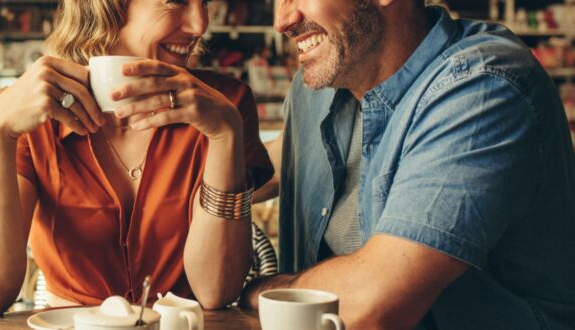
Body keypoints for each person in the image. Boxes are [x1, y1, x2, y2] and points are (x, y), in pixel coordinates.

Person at [243, 0, 575, 329]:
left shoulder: (482, 88)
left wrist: (262, 291)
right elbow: (275, 162)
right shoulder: (324, 87)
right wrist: (218, 137)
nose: (282, 20)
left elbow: (372, 304)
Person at [0, 0, 273, 316]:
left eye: (204, 3)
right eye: (176, 2)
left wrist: (225, 136)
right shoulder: (31, 112)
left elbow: (216, 290)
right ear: (111, 6)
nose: (200, 24)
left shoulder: (224, 107)